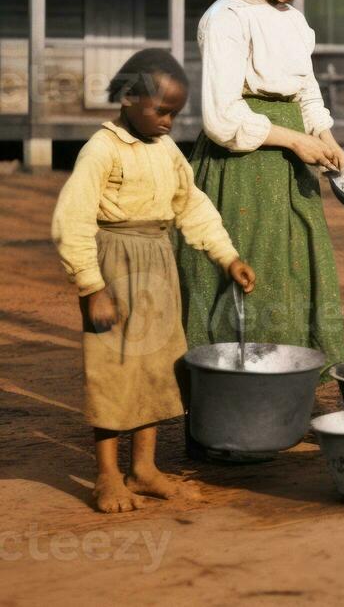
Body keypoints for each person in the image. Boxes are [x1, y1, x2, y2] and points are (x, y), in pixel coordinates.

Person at [51, 50, 255, 513]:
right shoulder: (101, 150)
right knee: (114, 370)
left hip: (159, 265)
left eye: (176, 114)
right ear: (127, 98)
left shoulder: (166, 151)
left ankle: (142, 470)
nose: (169, 122)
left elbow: (193, 205)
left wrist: (227, 257)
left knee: (157, 367)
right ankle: (106, 476)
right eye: (161, 111)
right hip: (113, 268)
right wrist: (91, 286)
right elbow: (73, 220)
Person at [176, 0, 344, 368]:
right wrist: (292, 141)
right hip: (243, 165)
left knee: (292, 269)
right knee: (251, 266)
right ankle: (234, 384)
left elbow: (306, 87)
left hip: (292, 165)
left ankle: (290, 379)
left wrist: (321, 132)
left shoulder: (293, 22)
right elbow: (222, 116)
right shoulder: (227, 18)